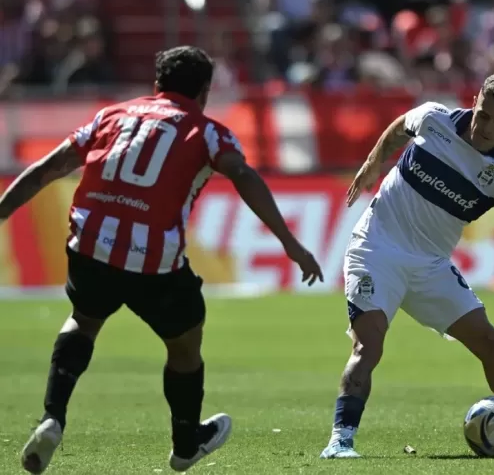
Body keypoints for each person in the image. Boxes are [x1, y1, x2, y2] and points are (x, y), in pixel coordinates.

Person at [1, 46, 323, 474]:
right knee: (186, 343)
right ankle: (186, 442)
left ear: (156, 84)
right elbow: (242, 174)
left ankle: (52, 417)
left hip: (90, 243)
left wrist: (3, 209)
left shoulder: (110, 115)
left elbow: (50, 167)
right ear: (204, 91)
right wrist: (290, 243)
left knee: (83, 319)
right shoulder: (209, 132)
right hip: (152, 257)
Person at [319, 74, 494, 459]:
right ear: (474, 101)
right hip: (376, 248)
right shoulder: (433, 118)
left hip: (431, 267)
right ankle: (340, 440)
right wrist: (374, 164)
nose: (487, 127)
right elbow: (398, 128)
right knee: (369, 346)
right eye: (484, 115)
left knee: (490, 342)